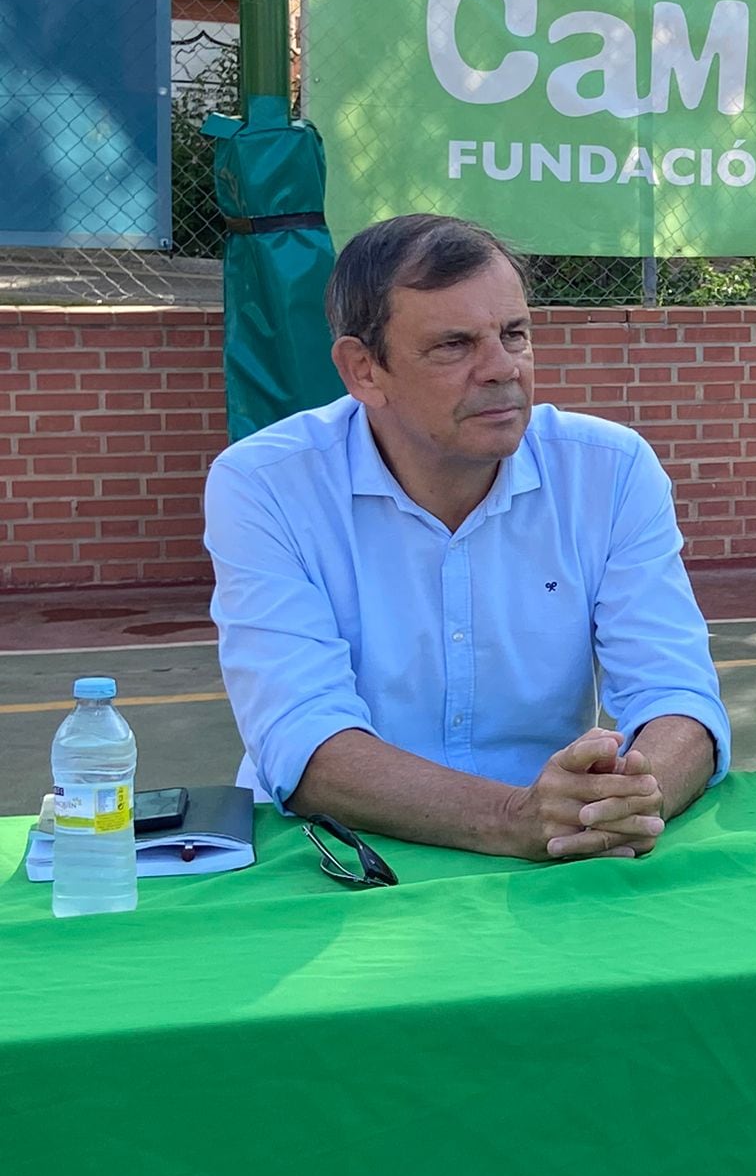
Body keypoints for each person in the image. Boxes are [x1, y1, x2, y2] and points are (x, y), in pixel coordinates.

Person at [204, 214, 729, 860]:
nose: (501, 368)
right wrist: (516, 818)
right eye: (454, 345)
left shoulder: (611, 472)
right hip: (333, 854)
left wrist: (632, 799)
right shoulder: (266, 484)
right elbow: (305, 743)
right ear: (364, 370)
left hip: (558, 849)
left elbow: (681, 700)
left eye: (514, 334)